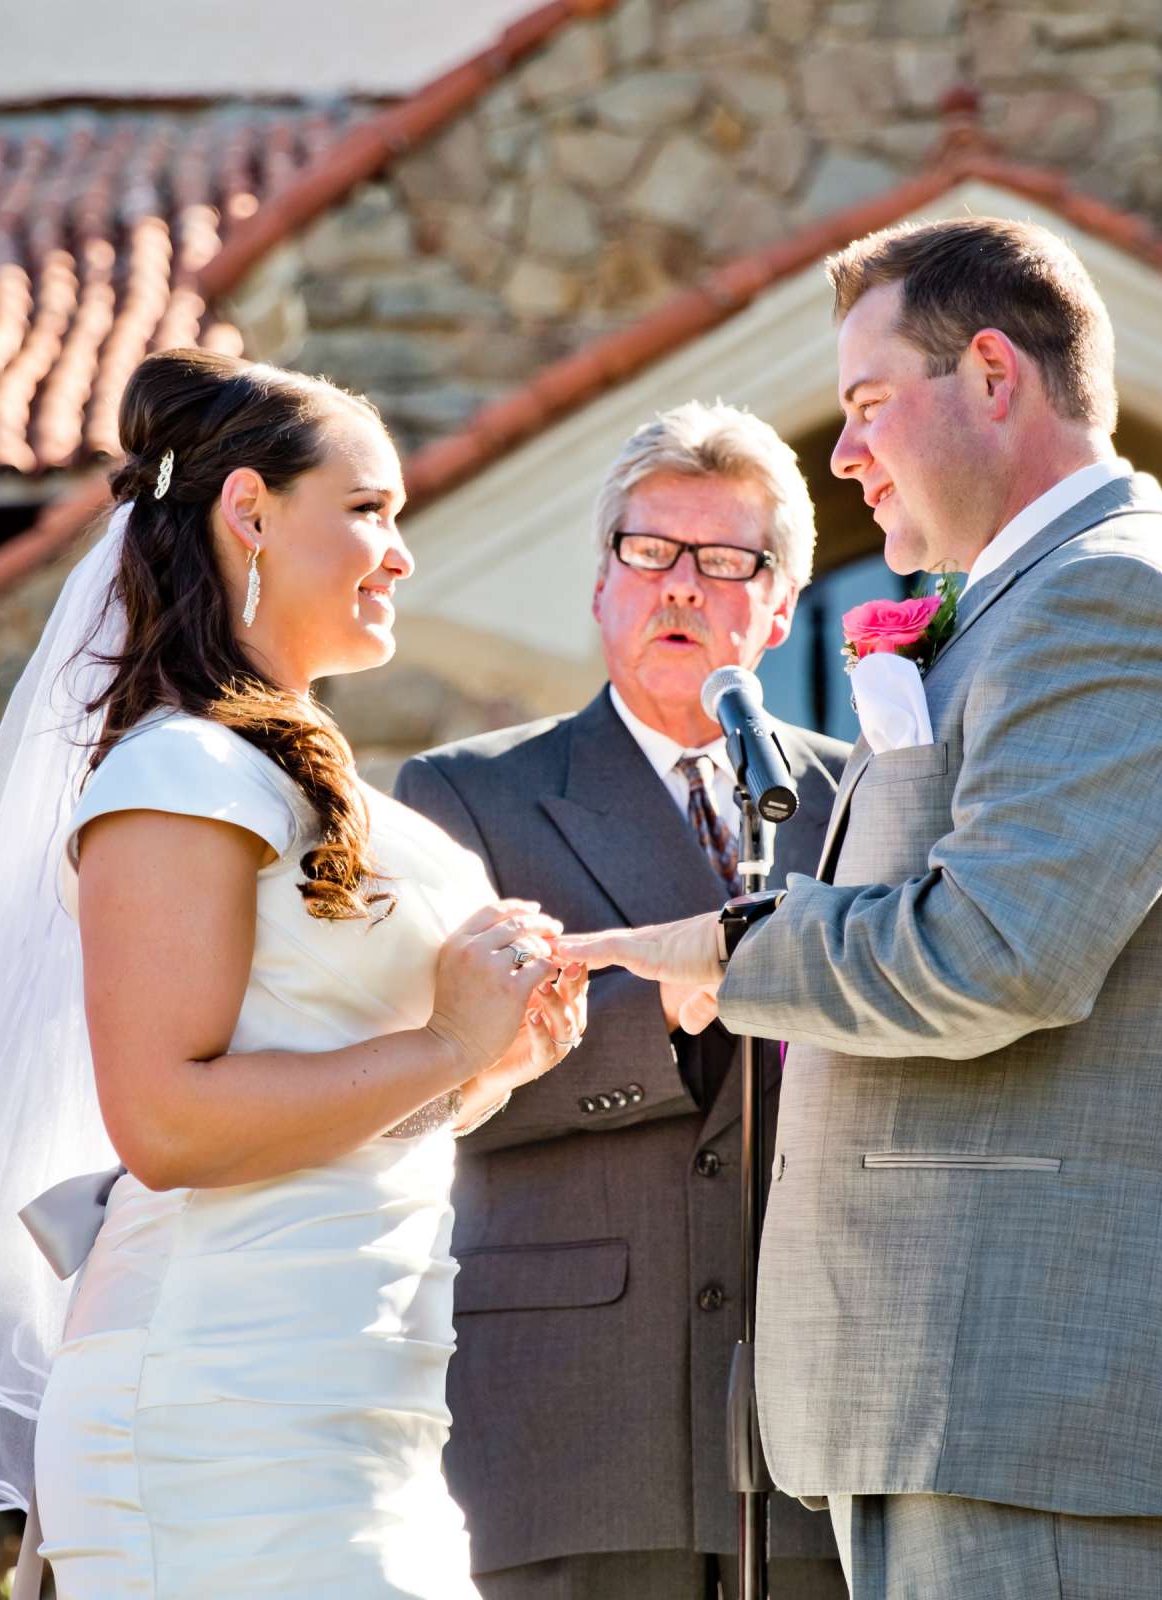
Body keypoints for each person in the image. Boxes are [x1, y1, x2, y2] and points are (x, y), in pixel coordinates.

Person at [564, 217, 1162, 1600]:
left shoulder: (1117, 602)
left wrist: (731, 955)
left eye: (864, 407)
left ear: (990, 375)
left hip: (1044, 1390)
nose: (842, 459)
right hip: (968, 1393)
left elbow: (998, 952)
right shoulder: (1037, 602)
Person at [0, 349, 590, 1600]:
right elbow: (165, 1121)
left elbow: (317, 1100)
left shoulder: (289, 770)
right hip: (221, 1403)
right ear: (251, 510)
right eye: (370, 509)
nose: (400, 553)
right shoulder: (179, 777)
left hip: (354, 1395)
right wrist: (442, 1044)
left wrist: (486, 1062)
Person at [396, 401, 852, 1600]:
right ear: (602, 582)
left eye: (723, 560)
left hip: (817, 1421)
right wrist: (672, 1018)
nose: (681, 589)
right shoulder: (465, 798)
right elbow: (424, 1085)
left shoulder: (868, 804)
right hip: (572, 1413)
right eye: (648, 552)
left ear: (783, 601)